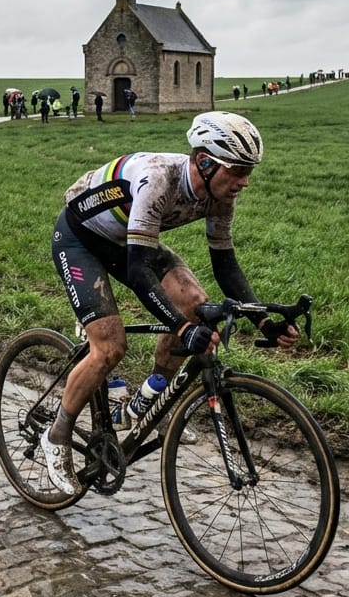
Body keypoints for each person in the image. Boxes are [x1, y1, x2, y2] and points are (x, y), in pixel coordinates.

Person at [41, 112, 299, 494]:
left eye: (249, 172)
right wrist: (183, 330)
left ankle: (151, 402)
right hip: (81, 239)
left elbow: (225, 264)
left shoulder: (219, 196)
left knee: (195, 304)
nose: (244, 182)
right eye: (238, 171)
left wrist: (264, 321)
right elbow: (140, 271)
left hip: (128, 239)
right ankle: (56, 437)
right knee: (110, 347)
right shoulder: (157, 180)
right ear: (205, 162)